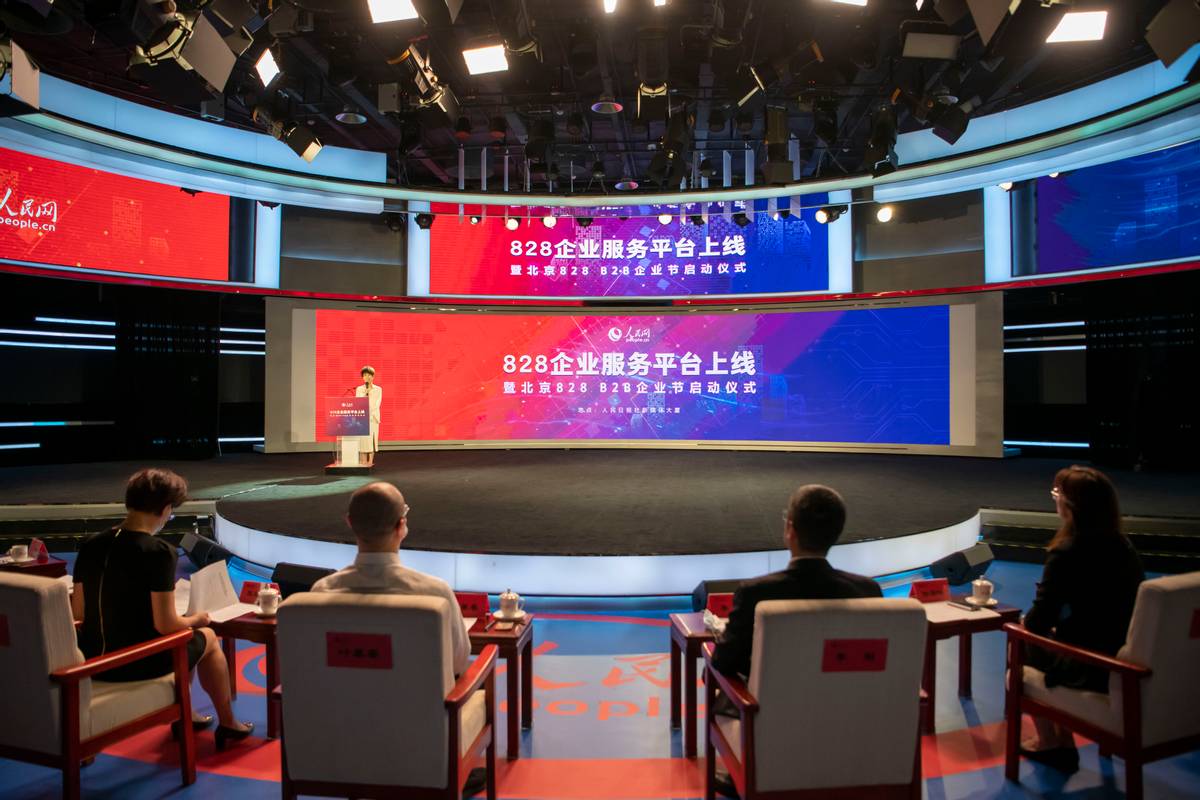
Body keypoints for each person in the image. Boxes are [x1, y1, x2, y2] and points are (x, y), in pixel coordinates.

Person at [71, 469, 253, 750]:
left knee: (185, 637)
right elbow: (166, 624)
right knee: (205, 636)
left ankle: (187, 714)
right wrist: (197, 618)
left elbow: (78, 613)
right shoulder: (158, 552)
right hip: (137, 662)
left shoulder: (91, 545)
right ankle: (229, 723)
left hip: (92, 659)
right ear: (166, 509)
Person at [1019, 465, 1145, 772]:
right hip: (1122, 656)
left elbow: (1038, 621)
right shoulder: (1124, 547)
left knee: (1021, 638)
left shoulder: (1066, 552)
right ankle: (1063, 740)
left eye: (1057, 494)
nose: (1055, 499)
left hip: (1088, 665)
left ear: (1070, 505)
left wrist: (1033, 622)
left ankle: (1050, 741)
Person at [711, 484, 882, 679]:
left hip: (772, 698)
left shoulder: (755, 594)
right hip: (845, 697)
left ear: (790, 529)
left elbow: (724, 662)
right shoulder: (868, 592)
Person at [311, 482, 469, 676]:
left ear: (350, 522)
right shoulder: (436, 593)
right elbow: (458, 663)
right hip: (415, 696)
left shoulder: (321, 591)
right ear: (401, 525)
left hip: (342, 695)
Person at [355, 366, 382, 467]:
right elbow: (358, 403)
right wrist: (365, 394)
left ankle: (370, 462)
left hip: (373, 418)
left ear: (373, 376)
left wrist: (370, 413)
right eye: (365, 375)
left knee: (371, 441)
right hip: (362, 419)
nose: (367, 377)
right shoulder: (359, 389)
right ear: (362, 377)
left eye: (369, 375)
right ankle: (363, 462)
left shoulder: (378, 389)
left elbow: (377, 404)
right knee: (363, 441)